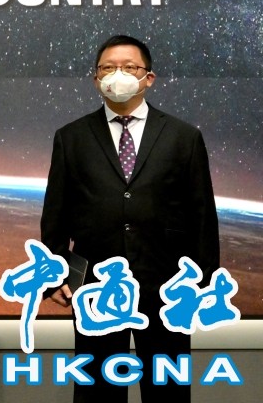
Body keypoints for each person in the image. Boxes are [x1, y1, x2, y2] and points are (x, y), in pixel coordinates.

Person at [40, 34, 220, 403]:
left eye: (129, 67)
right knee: (97, 392)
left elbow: (202, 215)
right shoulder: (71, 137)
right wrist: (53, 275)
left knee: (168, 391)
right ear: (96, 79)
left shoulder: (183, 137)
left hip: (169, 287)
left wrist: (203, 283)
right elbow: (56, 212)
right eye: (108, 68)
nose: (117, 75)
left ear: (148, 78)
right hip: (96, 289)